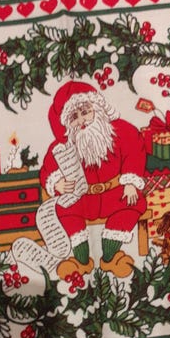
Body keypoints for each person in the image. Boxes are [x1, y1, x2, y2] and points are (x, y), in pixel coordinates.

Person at [40, 80, 147, 278]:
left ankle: (110, 257)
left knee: (131, 205)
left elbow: (135, 151)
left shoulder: (121, 131)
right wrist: (56, 182)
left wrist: (131, 182)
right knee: (66, 210)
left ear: (96, 108)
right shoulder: (64, 146)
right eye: (74, 117)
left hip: (115, 192)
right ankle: (81, 262)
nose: (82, 121)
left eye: (85, 112)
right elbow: (48, 168)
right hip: (82, 197)